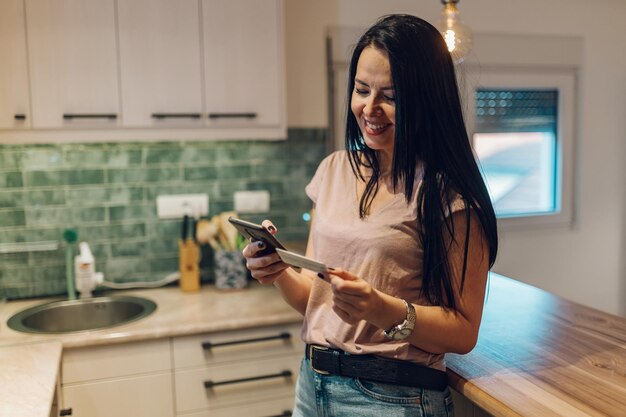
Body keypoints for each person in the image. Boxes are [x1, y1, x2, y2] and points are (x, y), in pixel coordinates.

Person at [242, 13, 498, 417]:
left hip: (394, 398)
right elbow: (317, 297)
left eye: (391, 96)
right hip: (313, 385)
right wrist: (278, 271)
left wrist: (381, 308)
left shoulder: (450, 194)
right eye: (362, 89)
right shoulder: (334, 170)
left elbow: (463, 331)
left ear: (426, 101)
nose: (369, 108)